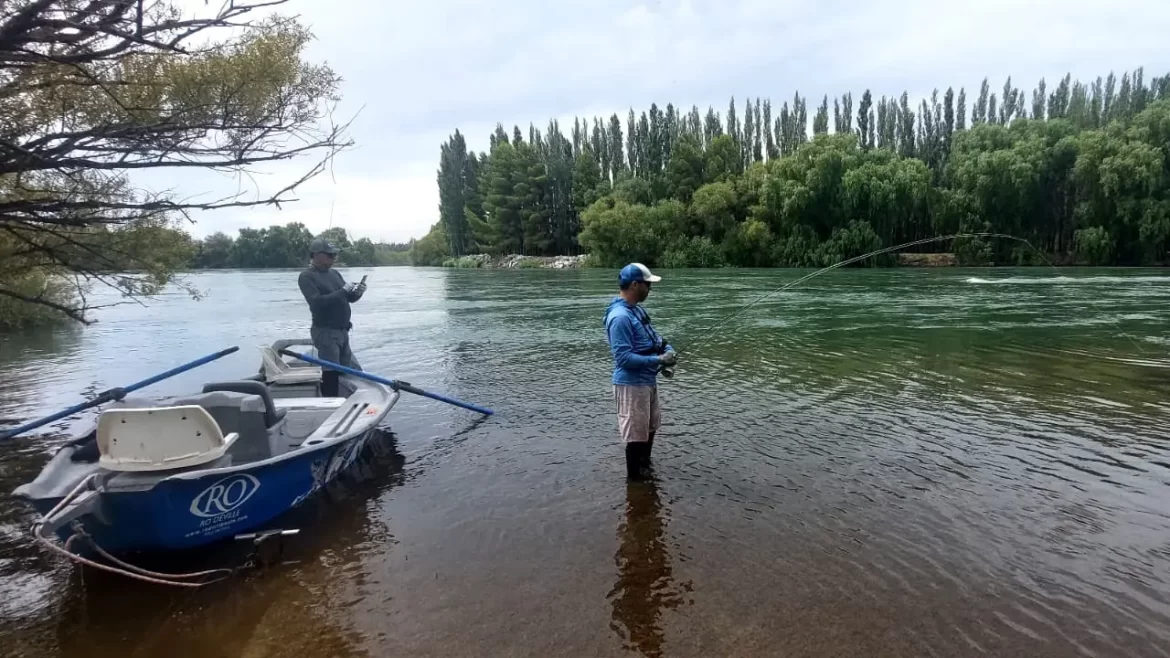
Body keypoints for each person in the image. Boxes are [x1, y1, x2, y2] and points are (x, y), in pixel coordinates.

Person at [604, 262, 678, 481]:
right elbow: (623, 358)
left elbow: (654, 338)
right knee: (636, 436)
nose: (650, 289)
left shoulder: (636, 310)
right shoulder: (619, 317)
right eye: (647, 284)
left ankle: (646, 470)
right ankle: (635, 483)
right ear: (635, 285)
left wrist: (667, 350)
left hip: (647, 381)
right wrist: (658, 360)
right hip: (631, 384)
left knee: (650, 427)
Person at [298, 236, 367, 397]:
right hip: (326, 332)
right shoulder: (307, 276)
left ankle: (344, 399)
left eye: (335, 255)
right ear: (316, 254)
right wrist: (343, 291)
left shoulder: (334, 274)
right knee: (330, 372)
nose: (334, 258)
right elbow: (316, 303)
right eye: (330, 255)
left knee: (345, 370)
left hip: (342, 331)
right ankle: (329, 403)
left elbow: (348, 298)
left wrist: (357, 292)